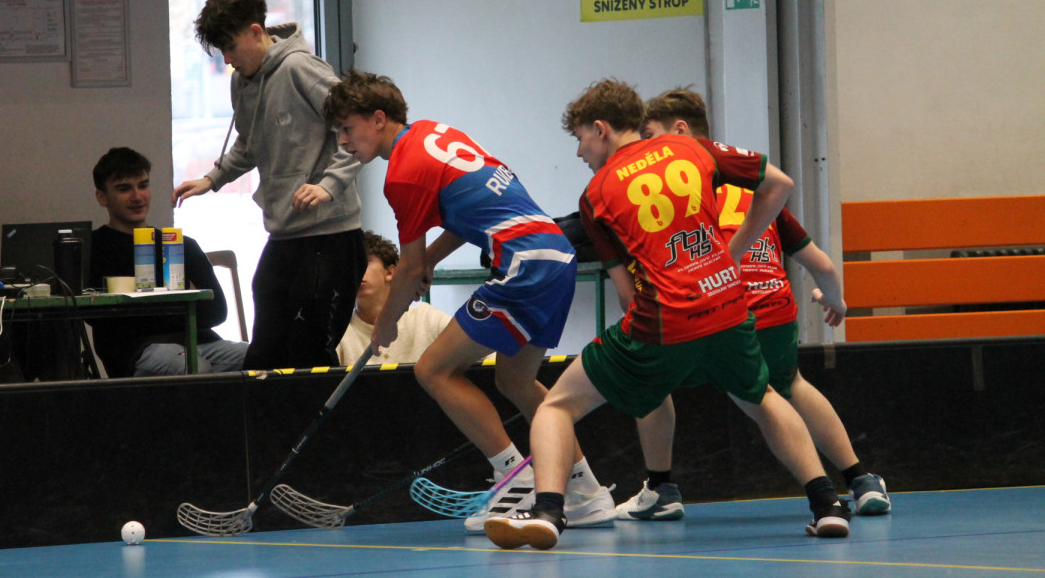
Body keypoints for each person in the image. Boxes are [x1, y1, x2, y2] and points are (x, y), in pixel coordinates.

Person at [484, 78, 851, 551]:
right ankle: (827, 504)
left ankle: (550, 512)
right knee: (761, 395)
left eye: (580, 138)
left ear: (602, 128)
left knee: (556, 406)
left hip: (663, 322)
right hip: (728, 308)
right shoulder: (690, 148)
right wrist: (732, 254)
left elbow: (626, 295)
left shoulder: (595, 195)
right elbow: (779, 184)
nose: (579, 151)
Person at [323, 70, 616, 535]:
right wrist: (430, 262)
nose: (342, 141)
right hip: (556, 255)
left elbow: (409, 268)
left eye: (346, 128)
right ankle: (586, 492)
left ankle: (513, 477)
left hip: (524, 264)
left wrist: (385, 324)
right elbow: (461, 221)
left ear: (378, 119)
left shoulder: (402, 173)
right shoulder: (434, 134)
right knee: (516, 380)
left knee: (433, 369)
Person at [614, 88, 890, 522]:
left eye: (651, 136)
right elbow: (820, 264)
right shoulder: (755, 194)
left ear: (680, 131)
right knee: (790, 384)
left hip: (717, 317)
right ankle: (861, 479)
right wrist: (834, 301)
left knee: (649, 380)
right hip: (776, 315)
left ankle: (662, 488)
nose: (647, 148)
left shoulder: (680, 198)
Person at [172, 0, 365, 370]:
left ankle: (317, 410)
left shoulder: (300, 69)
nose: (227, 60)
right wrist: (212, 178)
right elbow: (249, 143)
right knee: (262, 357)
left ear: (256, 32)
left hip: (330, 236)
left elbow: (357, 132)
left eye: (231, 47)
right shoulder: (243, 82)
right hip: (284, 233)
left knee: (308, 355)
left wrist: (327, 186)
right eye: (221, 51)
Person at [88, 147, 248, 377]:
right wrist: (181, 303)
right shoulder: (94, 247)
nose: (137, 197)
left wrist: (147, 308)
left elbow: (217, 312)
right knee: (195, 367)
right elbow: (103, 319)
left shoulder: (181, 244)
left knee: (264, 356)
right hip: (138, 351)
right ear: (102, 197)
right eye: (124, 189)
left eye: (143, 185)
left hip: (202, 342)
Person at [336, 231, 455, 366]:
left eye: (364, 262)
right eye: (349, 266)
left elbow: (471, 348)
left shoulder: (426, 318)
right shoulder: (340, 333)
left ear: (390, 272)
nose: (355, 271)